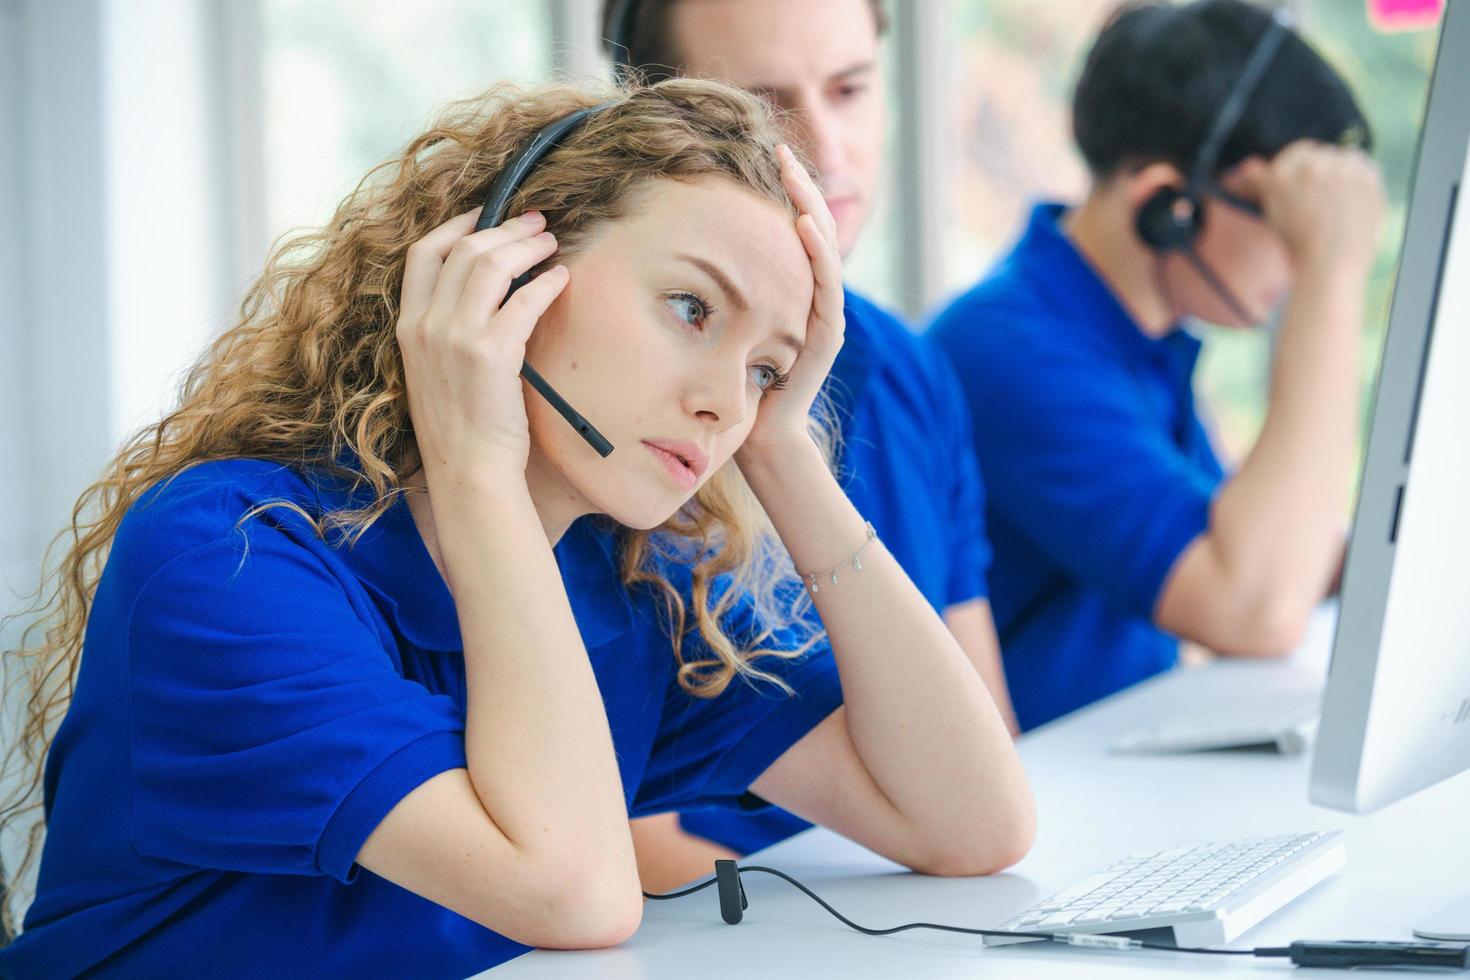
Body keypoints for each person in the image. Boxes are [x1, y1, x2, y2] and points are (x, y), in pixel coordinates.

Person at [0, 79, 1032, 978]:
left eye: (767, 365)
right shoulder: (227, 554)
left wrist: (785, 452)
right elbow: (576, 892)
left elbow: (974, 821)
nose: (727, 398)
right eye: (690, 308)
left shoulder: (631, 579)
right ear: (504, 276)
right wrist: (477, 465)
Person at [602, 0, 1018, 890]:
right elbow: (619, 847)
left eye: (850, 89)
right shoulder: (619, 421)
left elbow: (985, 748)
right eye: (764, 107)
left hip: (892, 893)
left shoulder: (911, 367)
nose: (827, 151)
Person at [929, 0, 1385, 732]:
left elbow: (1259, 543)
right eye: (1289, 224)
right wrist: (1333, 278)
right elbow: (1253, 606)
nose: (1299, 260)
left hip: (1113, 768)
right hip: (1041, 799)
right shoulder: (1007, 351)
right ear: (1167, 205)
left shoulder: (1138, 343)